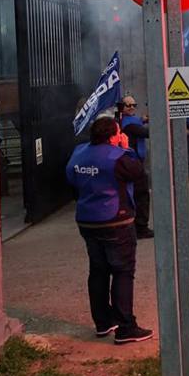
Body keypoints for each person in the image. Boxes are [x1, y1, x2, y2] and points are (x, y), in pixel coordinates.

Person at [66, 116, 153, 344]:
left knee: (98, 271)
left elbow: (71, 179)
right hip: (116, 221)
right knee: (123, 271)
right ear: (113, 136)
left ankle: (103, 322)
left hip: (87, 221)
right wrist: (126, 148)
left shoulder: (79, 153)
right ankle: (126, 328)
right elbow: (138, 173)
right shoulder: (118, 157)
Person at [118, 96, 153, 239]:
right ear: (121, 107)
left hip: (128, 163)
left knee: (132, 195)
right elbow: (146, 132)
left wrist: (143, 120)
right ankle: (141, 228)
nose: (132, 107)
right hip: (134, 164)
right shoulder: (130, 125)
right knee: (141, 195)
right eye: (128, 105)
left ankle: (134, 226)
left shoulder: (122, 121)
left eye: (134, 105)